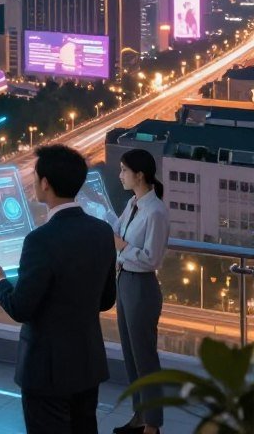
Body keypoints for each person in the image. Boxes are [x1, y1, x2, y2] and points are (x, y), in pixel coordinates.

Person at [0, 145, 117, 434]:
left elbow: (21, 308)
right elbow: (107, 299)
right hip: (87, 363)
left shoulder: (40, 240)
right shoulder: (102, 231)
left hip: (46, 371)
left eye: (35, 177)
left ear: (45, 183)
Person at [113, 149, 170, 434]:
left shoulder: (155, 211)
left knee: (145, 357)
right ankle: (139, 416)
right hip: (124, 281)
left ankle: (152, 424)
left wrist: (122, 247)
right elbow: (116, 231)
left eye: (124, 170)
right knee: (131, 355)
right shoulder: (133, 203)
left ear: (139, 175)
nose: (120, 175)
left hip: (142, 285)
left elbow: (152, 259)